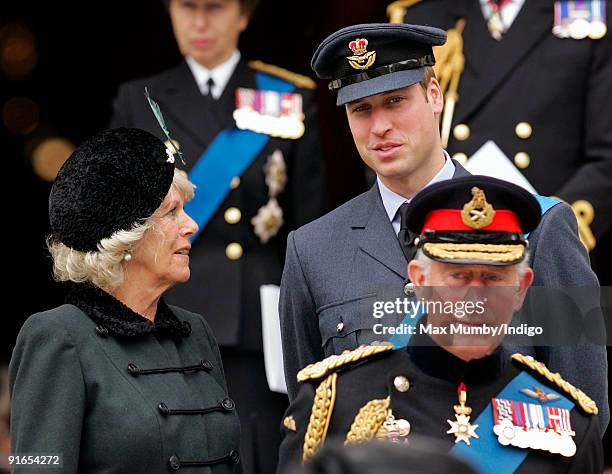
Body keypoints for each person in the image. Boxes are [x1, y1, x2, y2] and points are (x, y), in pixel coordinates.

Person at [278, 22, 608, 433]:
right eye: (361, 109)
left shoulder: (541, 228)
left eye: (395, 101)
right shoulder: (312, 250)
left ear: (435, 96)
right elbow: (308, 422)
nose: (379, 126)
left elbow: (587, 413)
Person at [111, 2, 328, 471]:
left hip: (255, 317)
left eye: (215, 7)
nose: (200, 22)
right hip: (163, 309)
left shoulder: (286, 96)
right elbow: (120, 225)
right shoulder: (138, 99)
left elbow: (307, 226)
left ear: (244, 14)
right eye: (187, 8)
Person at [277, 176, 603, 474]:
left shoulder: (567, 421)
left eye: (493, 279)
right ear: (420, 282)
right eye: (457, 276)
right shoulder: (336, 399)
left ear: (521, 289)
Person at [9, 128, 242, 473]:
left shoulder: (195, 331)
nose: (191, 225)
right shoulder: (58, 336)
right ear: (125, 237)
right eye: (171, 212)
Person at [385, 0, 612, 277]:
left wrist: (548, 233)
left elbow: (606, 156)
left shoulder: (590, 14)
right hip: (442, 251)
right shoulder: (423, 16)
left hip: (542, 251)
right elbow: (391, 139)